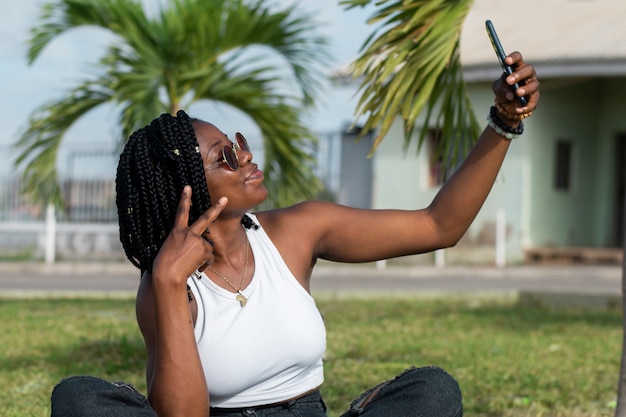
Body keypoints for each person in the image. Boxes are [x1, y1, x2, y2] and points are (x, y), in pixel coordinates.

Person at [50, 51, 539, 417]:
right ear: (187, 187)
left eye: (237, 143)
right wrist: (166, 284)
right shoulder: (169, 285)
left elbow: (439, 225)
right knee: (78, 398)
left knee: (431, 391)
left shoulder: (295, 231)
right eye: (223, 155)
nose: (245, 156)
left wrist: (504, 121)